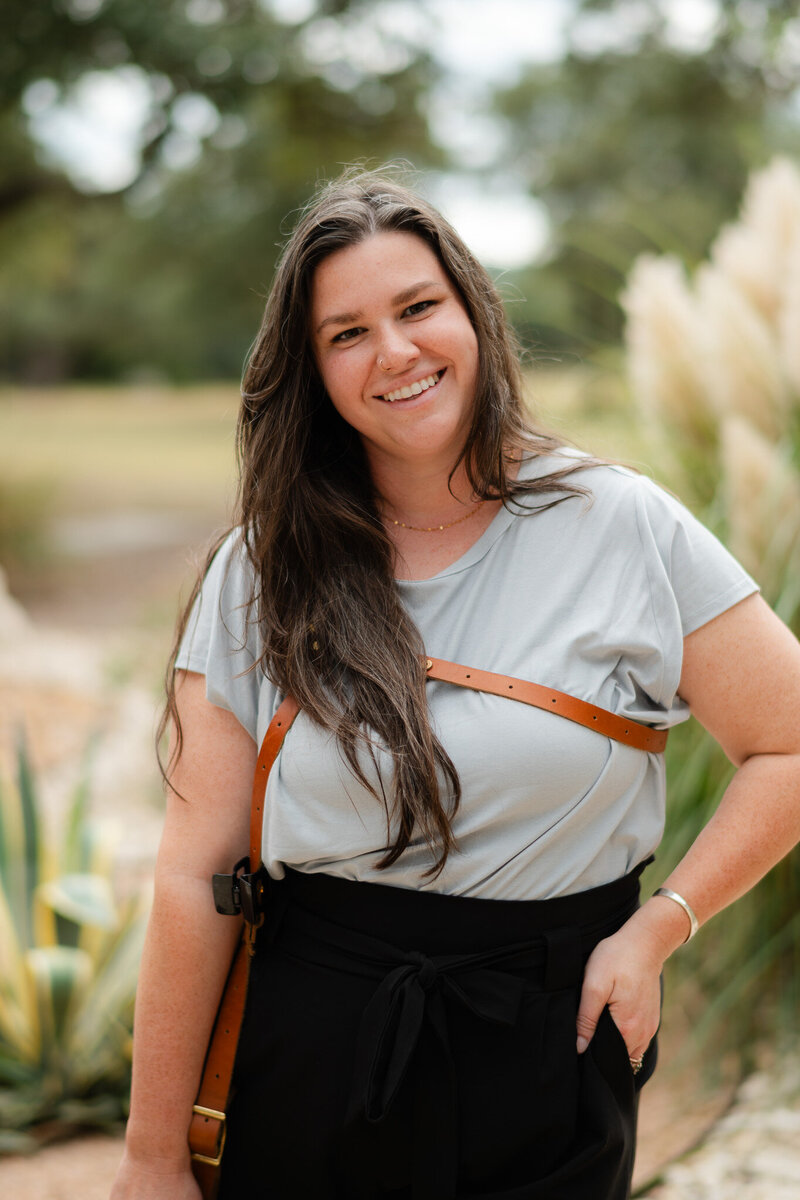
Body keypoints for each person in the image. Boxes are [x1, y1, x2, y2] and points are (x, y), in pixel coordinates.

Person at [111, 168, 800, 1200]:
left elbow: (787, 743)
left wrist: (661, 927)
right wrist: (152, 1156)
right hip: (312, 1055)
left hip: (554, 1048)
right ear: (312, 370)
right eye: (347, 334)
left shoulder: (621, 525)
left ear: (472, 312)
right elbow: (192, 872)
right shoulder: (264, 567)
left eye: (418, 307)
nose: (394, 351)